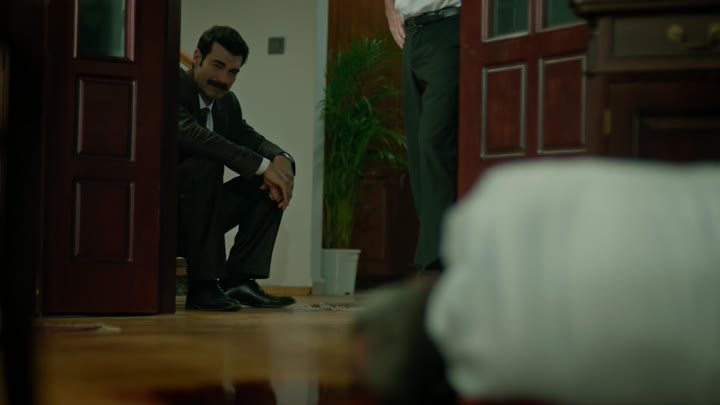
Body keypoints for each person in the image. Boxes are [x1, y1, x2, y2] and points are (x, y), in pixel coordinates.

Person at [178, 26, 296, 311]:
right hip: (161, 217)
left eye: (233, 72)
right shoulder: (171, 86)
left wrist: (280, 157)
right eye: (217, 66)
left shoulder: (227, 103)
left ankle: (240, 280)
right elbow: (193, 135)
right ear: (197, 57)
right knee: (206, 162)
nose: (224, 80)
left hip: (203, 216)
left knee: (272, 180)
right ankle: (204, 286)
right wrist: (261, 165)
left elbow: (249, 137)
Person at [383, 0, 461, 272]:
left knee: (434, 142)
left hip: (449, 26)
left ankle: (439, 259)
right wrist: (389, 9)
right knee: (417, 149)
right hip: (412, 35)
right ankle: (433, 255)